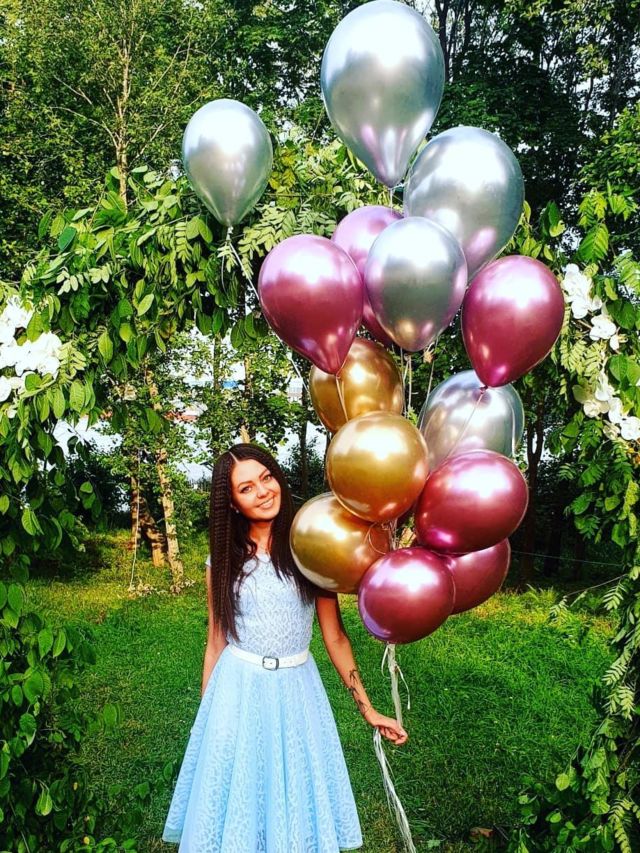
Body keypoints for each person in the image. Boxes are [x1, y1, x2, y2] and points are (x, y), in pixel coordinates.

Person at [162, 443, 408, 851]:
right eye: (246, 488)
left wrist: (368, 710)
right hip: (237, 691)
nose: (262, 491)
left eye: (266, 478)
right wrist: (207, 720)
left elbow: (334, 636)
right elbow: (216, 641)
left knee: (293, 793)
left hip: (297, 691)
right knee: (240, 793)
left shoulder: (311, 550)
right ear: (233, 503)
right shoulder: (221, 561)